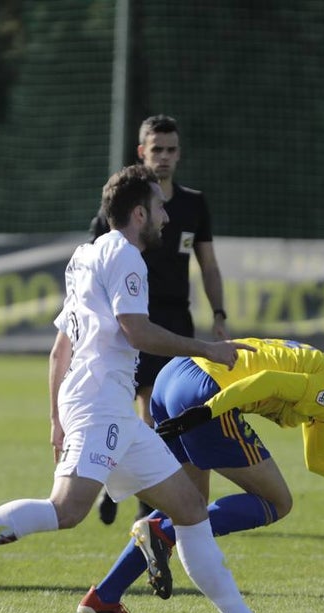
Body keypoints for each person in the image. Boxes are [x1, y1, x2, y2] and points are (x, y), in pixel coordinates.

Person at [0, 164, 297, 613]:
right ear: (138, 212)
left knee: (190, 507)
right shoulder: (127, 256)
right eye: (160, 206)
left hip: (103, 407)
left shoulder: (85, 255)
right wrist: (209, 349)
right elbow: (137, 331)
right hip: (99, 404)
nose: (167, 216)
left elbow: (60, 347)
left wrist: (54, 418)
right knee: (66, 511)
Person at [77, 338, 324, 613]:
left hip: (175, 378)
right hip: (206, 390)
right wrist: (210, 409)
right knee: (276, 501)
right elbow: (268, 381)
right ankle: (160, 528)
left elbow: (319, 460)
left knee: (190, 502)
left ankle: (104, 597)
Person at [89, 114, 227, 524]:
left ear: (179, 153)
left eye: (171, 150)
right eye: (157, 150)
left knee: (157, 410)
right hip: (134, 319)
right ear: (142, 152)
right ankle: (145, 507)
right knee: (147, 408)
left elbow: (209, 265)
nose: (164, 157)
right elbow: (96, 262)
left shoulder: (192, 205)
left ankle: (124, 485)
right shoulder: (122, 206)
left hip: (174, 317)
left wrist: (219, 315)